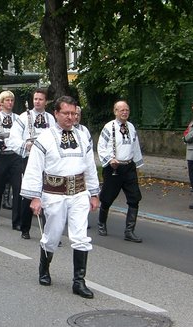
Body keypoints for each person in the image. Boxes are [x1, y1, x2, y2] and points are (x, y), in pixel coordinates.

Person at [21, 96, 100, 298]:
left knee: (81, 236)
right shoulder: (45, 138)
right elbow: (34, 168)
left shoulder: (83, 136)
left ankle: (79, 281)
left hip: (79, 193)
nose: (70, 117)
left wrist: (94, 193)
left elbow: (90, 166)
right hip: (54, 194)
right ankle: (44, 268)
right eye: (66, 113)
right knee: (53, 236)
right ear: (56, 113)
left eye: (73, 113)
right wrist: (35, 197)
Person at [96, 100, 144, 243]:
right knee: (107, 197)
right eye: (121, 110)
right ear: (115, 111)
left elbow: (135, 146)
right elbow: (101, 146)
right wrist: (110, 160)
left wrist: (138, 163)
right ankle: (101, 223)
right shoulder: (108, 127)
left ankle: (129, 231)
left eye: (127, 110)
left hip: (128, 167)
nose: (124, 112)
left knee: (135, 198)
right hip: (113, 168)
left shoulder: (131, 127)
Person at [17, 88, 56, 239]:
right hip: (30, 158)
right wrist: (25, 145)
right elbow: (13, 137)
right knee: (30, 192)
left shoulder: (51, 118)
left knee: (49, 193)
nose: (37, 102)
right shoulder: (23, 117)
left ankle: (49, 231)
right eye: (35, 99)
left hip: (47, 160)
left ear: (45, 101)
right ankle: (25, 228)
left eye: (40, 99)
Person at [0, 90, 26, 230]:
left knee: (18, 188)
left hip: (14, 156)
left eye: (12, 100)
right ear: (1, 103)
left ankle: (17, 221)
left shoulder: (18, 119)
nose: (10, 103)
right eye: (7, 100)